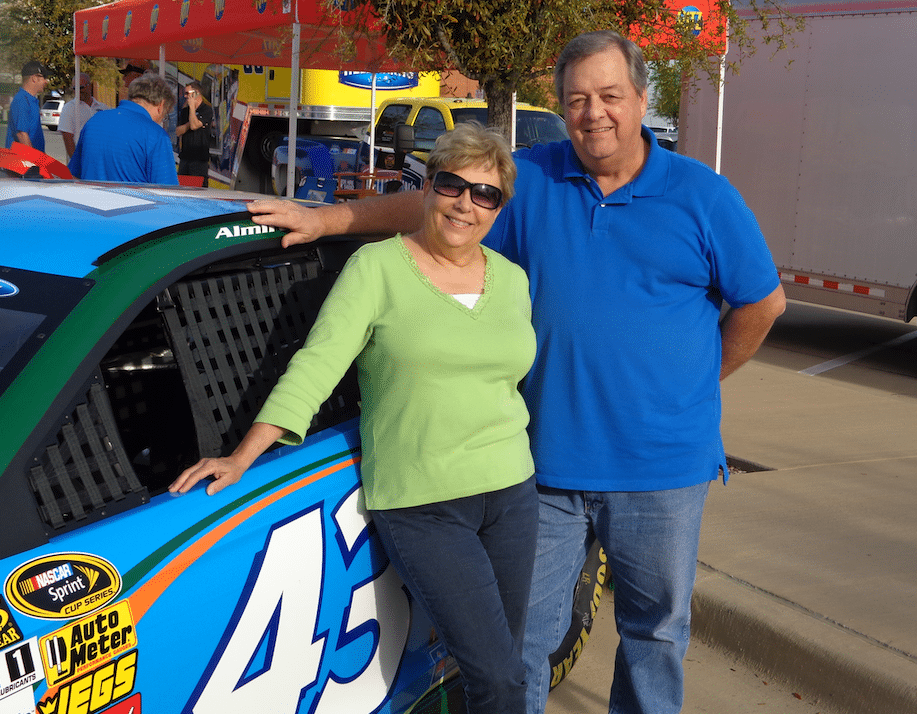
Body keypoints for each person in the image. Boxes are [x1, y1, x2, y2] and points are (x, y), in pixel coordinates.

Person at [244, 29, 787, 714]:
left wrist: (695, 382)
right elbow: (435, 205)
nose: (594, 113)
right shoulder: (534, 179)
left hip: (662, 469)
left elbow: (762, 303)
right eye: (577, 99)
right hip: (546, 468)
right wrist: (327, 219)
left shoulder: (702, 195)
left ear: (642, 99)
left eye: (610, 96)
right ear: (560, 106)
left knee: (653, 633)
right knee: (521, 643)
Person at [170, 122, 539, 714]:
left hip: (511, 493)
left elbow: (507, 384)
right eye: (452, 185)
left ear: (499, 206)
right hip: (425, 503)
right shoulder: (377, 268)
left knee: (502, 663)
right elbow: (315, 366)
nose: (466, 204)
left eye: (485, 193)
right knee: (497, 678)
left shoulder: (512, 280)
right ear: (427, 189)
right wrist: (244, 454)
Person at [69, 73, 178, 185]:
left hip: (89, 200)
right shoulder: (155, 135)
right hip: (137, 202)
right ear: (161, 105)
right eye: (164, 116)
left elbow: (74, 174)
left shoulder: (94, 121)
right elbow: (169, 192)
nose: (161, 121)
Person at [58, 73, 109, 159]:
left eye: (81, 87)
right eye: (75, 88)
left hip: (101, 159)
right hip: (82, 159)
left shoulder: (103, 108)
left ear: (89, 86)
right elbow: (67, 138)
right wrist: (76, 163)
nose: (78, 91)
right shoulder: (69, 108)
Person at [4, 60, 50, 151]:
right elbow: (22, 134)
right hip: (21, 163)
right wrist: (35, 162)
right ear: (34, 78)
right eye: (44, 77)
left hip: (29, 161)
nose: (46, 81)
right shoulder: (21, 100)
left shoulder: (31, 101)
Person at [175, 81, 213, 185]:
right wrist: (190, 122)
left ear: (196, 93)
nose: (185, 96)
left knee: (197, 190)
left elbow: (194, 126)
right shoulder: (184, 111)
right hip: (185, 158)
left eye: (188, 93)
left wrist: (192, 108)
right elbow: (178, 131)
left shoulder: (206, 110)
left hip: (199, 159)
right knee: (182, 190)